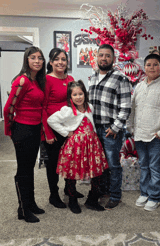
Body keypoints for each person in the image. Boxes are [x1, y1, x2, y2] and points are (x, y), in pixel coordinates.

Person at [126, 53, 160, 211]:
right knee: (144, 166)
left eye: (155, 64)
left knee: (155, 167)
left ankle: (154, 196)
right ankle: (144, 193)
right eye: (148, 64)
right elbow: (132, 109)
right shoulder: (140, 86)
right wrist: (131, 128)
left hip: (157, 136)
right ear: (144, 67)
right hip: (140, 134)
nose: (152, 67)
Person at [47, 80, 109, 213]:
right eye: (75, 95)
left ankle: (92, 200)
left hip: (92, 144)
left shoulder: (90, 107)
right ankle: (72, 200)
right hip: (75, 145)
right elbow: (51, 120)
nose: (78, 97)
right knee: (72, 173)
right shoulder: (68, 110)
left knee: (96, 171)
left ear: (85, 94)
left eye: (81, 94)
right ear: (70, 97)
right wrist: (66, 132)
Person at [3, 46, 46, 223]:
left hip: (35, 129)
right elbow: (8, 108)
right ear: (26, 60)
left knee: (29, 168)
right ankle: (22, 208)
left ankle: (31, 203)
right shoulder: (22, 81)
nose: (37, 61)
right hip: (22, 129)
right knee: (23, 170)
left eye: (40, 58)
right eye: (33, 57)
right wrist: (9, 131)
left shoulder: (37, 81)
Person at [89, 44, 132, 209]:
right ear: (97, 57)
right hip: (95, 128)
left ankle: (115, 195)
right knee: (100, 163)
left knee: (113, 165)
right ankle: (104, 190)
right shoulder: (92, 76)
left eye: (108, 56)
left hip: (111, 130)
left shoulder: (120, 78)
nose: (104, 58)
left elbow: (126, 107)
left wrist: (115, 127)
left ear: (113, 59)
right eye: (101, 55)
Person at [42, 48, 83, 209]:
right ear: (50, 62)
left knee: (70, 162)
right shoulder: (45, 80)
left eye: (63, 59)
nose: (60, 62)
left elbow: (76, 102)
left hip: (70, 129)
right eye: (56, 59)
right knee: (53, 164)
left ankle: (69, 188)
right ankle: (54, 194)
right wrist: (47, 132)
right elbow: (43, 108)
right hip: (53, 130)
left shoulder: (71, 78)